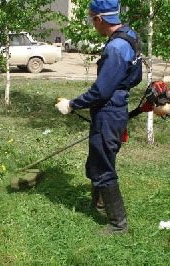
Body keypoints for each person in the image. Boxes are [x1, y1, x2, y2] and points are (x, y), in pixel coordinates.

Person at [55, 0, 142, 234]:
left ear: (100, 19)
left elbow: (100, 91)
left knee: (103, 166)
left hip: (108, 112)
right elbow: (136, 78)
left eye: (92, 19)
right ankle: (100, 203)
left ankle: (118, 224)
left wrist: (72, 105)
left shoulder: (114, 49)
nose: (92, 25)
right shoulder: (130, 36)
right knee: (99, 159)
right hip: (117, 108)